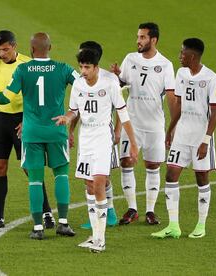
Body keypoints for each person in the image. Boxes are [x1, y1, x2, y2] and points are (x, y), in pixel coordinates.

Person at [0, 32, 78, 240]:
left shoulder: (23, 69)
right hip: (56, 129)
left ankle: (38, 228)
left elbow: (6, 97)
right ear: (51, 47)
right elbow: (83, 85)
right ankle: (63, 223)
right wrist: (70, 114)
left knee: (35, 180)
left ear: (30, 49)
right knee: (61, 176)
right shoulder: (63, 68)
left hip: (31, 131)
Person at [54, 48, 138, 252]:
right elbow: (74, 110)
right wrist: (67, 117)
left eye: (87, 67)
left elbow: (123, 113)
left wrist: (133, 143)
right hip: (86, 139)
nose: (83, 71)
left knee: (99, 183)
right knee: (89, 186)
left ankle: (100, 239)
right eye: (81, 67)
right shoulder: (78, 84)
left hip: (103, 138)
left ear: (96, 66)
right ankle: (94, 235)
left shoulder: (109, 83)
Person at [0, 30, 55, 229]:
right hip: (0, 119)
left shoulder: (27, 65)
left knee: (31, 168)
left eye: (6, 49)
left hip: (23, 119)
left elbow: (40, 96)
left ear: (14, 46)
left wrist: (29, 120)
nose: (2, 53)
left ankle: (47, 213)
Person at [152, 38, 216, 239]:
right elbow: (179, 106)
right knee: (171, 175)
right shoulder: (181, 73)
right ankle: (174, 226)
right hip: (182, 135)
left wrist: (206, 141)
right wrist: (170, 130)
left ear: (192, 56)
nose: (179, 56)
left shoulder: (211, 78)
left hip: (201, 136)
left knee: (201, 178)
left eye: (182, 53)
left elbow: (215, 113)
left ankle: (201, 225)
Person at [111, 22, 176, 225]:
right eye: (138, 37)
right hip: (132, 124)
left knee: (153, 165)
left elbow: (172, 96)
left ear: (153, 40)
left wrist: (172, 128)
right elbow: (120, 85)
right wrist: (116, 76)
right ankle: (132, 209)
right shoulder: (131, 59)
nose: (138, 40)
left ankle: (150, 210)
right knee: (126, 162)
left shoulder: (165, 65)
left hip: (155, 125)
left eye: (142, 37)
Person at [69, 41, 121, 230]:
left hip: (103, 132)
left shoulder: (109, 80)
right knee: (88, 177)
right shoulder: (82, 81)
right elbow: (77, 109)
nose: (83, 67)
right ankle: (97, 217)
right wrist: (71, 131)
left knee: (102, 177)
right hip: (86, 133)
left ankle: (110, 212)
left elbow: (121, 109)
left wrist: (117, 131)